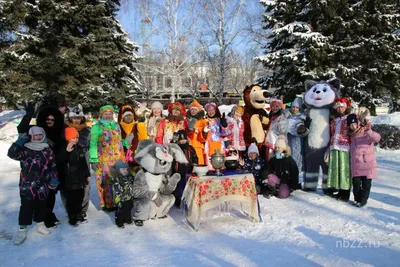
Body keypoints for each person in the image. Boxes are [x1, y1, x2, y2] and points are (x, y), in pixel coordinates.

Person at [8, 127, 59, 245]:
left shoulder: (47, 149)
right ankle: (22, 229)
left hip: (43, 184)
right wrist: (19, 142)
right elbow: (11, 154)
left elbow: (53, 165)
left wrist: (54, 179)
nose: (38, 137)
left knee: (42, 204)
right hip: (27, 185)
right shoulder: (25, 150)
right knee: (26, 206)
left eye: (40, 135)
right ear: (31, 136)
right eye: (35, 135)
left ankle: (40, 224)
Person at [89, 105, 125, 211]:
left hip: (118, 158)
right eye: (106, 114)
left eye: (110, 114)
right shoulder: (97, 127)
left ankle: (119, 200)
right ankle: (108, 204)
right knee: (106, 180)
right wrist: (93, 159)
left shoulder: (116, 126)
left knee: (118, 180)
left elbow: (119, 140)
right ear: (101, 115)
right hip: (104, 159)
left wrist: (126, 142)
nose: (108, 116)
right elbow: (93, 144)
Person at [347, 114, 381, 207]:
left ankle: (363, 200)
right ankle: (357, 199)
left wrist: (368, 130)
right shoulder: (350, 135)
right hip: (356, 164)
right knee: (356, 184)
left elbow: (377, 138)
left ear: (358, 123)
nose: (353, 126)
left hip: (367, 164)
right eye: (351, 125)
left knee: (366, 185)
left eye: (354, 124)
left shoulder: (365, 132)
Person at [58, 127, 90, 226]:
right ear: (67, 138)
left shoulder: (79, 148)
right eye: (73, 138)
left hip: (80, 178)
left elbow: (83, 163)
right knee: (71, 199)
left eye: (76, 138)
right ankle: (72, 216)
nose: (75, 140)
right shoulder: (63, 148)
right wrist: (66, 152)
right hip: (70, 179)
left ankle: (79, 214)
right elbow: (60, 161)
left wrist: (87, 175)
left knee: (80, 197)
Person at [64, 104, 91, 218]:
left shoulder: (87, 130)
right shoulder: (64, 129)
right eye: (74, 118)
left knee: (85, 185)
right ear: (70, 118)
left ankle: (82, 208)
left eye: (78, 118)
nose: (76, 120)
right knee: (68, 186)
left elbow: (92, 144)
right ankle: (70, 209)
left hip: (83, 158)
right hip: (69, 160)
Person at [326, 98, 352, 201]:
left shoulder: (349, 118)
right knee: (336, 170)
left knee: (344, 170)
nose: (340, 109)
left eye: (342, 107)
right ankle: (339, 191)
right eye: (338, 107)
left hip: (344, 147)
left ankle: (345, 193)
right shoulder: (334, 120)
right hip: (334, 146)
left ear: (345, 108)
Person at [171, 130, 198, 207]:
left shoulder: (190, 148)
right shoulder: (175, 149)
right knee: (179, 187)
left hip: (188, 170)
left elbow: (195, 157)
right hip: (178, 171)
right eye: (181, 140)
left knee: (187, 186)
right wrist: (173, 141)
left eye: (184, 139)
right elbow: (170, 149)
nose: (183, 141)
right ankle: (178, 201)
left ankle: (188, 201)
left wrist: (195, 164)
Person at [286, 98, 308, 185]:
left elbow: (302, 127)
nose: (295, 109)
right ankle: (289, 179)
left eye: (297, 107)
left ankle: (298, 181)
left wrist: (301, 128)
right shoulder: (288, 115)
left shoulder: (302, 117)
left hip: (297, 140)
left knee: (298, 159)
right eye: (293, 107)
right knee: (289, 157)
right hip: (289, 139)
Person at [110, 160, 135, 228]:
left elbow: (132, 185)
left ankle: (127, 219)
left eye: (126, 169)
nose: (125, 171)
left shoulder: (129, 177)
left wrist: (133, 193)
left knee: (128, 209)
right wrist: (117, 199)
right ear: (118, 170)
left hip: (129, 197)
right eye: (123, 169)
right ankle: (119, 222)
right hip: (120, 198)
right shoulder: (116, 179)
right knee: (120, 211)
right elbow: (115, 189)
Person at [187, 100, 206, 165]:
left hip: (198, 145)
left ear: (198, 111)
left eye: (195, 109)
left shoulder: (202, 121)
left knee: (199, 162)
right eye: (192, 109)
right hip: (188, 144)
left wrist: (203, 132)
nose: (193, 111)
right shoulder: (186, 120)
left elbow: (203, 137)